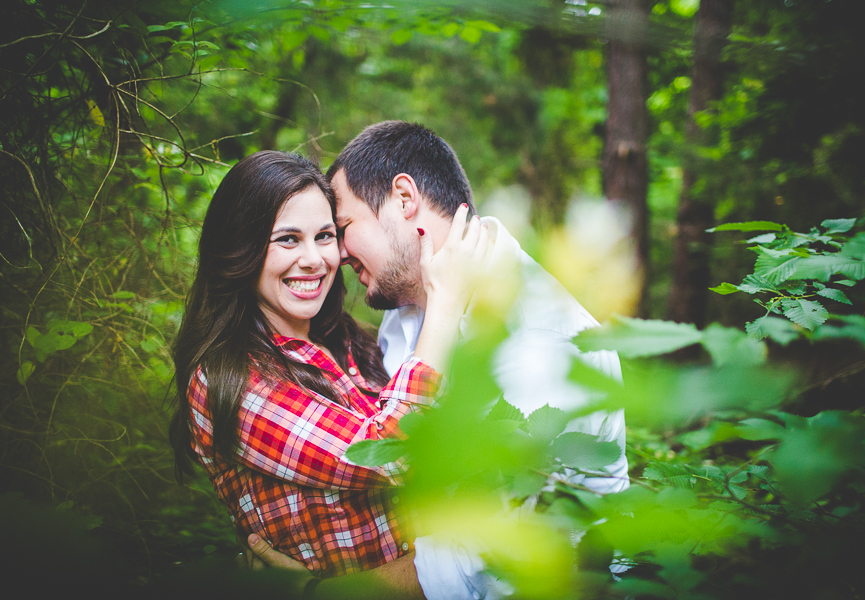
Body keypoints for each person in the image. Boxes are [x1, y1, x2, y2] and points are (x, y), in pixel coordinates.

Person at [246, 122, 629, 599]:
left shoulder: (540, 344)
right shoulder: (409, 304)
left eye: (342, 229)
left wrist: (314, 592)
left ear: (404, 199)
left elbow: (474, 566)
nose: (337, 254)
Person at [169, 151, 493, 577]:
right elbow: (391, 453)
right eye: (288, 239)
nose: (315, 259)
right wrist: (445, 302)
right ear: (241, 248)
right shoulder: (228, 377)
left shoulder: (350, 340)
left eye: (325, 236)